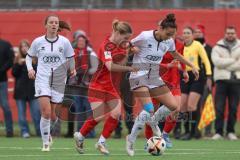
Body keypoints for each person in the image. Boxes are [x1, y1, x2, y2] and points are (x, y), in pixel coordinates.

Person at [125, 14, 199, 156]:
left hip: (154, 78)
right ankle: (131, 139)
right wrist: (131, 50)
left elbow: (176, 55)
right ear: (160, 28)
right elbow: (127, 46)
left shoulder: (169, 41)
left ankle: (153, 121)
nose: (169, 37)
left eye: (172, 35)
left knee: (173, 106)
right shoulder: (145, 36)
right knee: (148, 109)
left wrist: (192, 66)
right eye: (168, 33)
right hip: (138, 76)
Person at [74, 19, 138, 155]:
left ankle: (101, 142)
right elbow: (110, 66)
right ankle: (80, 136)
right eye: (125, 38)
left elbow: (121, 61)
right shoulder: (106, 45)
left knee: (116, 114)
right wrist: (130, 68)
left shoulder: (122, 46)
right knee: (99, 116)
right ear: (117, 32)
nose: (127, 41)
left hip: (112, 87)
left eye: (128, 39)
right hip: (98, 85)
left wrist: (128, 53)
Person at [26, 14, 76, 151]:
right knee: (46, 112)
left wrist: (73, 69)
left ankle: (47, 134)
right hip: (42, 79)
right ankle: (45, 144)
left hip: (59, 81)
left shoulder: (64, 42)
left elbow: (71, 58)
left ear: (58, 26)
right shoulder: (38, 42)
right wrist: (30, 69)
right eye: (51, 22)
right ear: (46, 25)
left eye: (56, 23)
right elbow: (28, 57)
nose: (54, 24)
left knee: (53, 115)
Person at [144, 35, 188, 148]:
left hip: (173, 80)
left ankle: (165, 135)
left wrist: (184, 71)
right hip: (156, 80)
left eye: (173, 32)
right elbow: (150, 63)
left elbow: (181, 57)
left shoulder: (179, 44)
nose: (170, 34)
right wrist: (167, 65)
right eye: (168, 31)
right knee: (150, 112)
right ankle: (148, 141)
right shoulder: (153, 45)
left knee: (176, 108)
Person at [180, 26, 212, 140]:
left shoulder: (197, 45)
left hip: (197, 77)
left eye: (188, 32)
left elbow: (206, 61)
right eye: (184, 32)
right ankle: (186, 130)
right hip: (184, 76)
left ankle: (193, 132)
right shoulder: (180, 46)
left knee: (191, 105)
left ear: (192, 35)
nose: (186, 34)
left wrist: (209, 76)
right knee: (182, 105)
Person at [211, 26, 240, 140]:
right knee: (219, 107)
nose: (230, 35)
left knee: (233, 108)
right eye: (228, 33)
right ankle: (218, 132)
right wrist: (234, 61)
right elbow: (217, 62)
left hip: (236, 81)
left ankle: (230, 132)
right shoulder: (217, 47)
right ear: (225, 34)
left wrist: (225, 64)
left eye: (232, 33)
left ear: (236, 34)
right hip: (221, 81)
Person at [12, 40, 41, 138]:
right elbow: (14, 74)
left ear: (29, 48)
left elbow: (39, 73)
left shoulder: (35, 59)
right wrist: (19, 64)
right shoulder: (17, 59)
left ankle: (39, 132)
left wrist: (33, 63)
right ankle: (25, 131)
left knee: (36, 114)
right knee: (21, 115)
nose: (24, 48)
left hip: (33, 91)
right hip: (20, 91)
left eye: (26, 46)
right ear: (20, 49)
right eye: (22, 47)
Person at [194, 24, 213, 137]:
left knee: (207, 105)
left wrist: (211, 79)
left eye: (199, 32)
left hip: (206, 81)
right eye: (195, 32)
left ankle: (208, 131)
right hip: (194, 81)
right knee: (194, 106)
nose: (197, 34)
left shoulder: (209, 49)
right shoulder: (190, 47)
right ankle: (196, 131)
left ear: (203, 34)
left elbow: (212, 65)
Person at [0, 37, 14, 137]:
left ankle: (9, 131)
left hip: (2, 81)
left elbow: (10, 60)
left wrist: (1, 71)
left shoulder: (6, 44)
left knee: (5, 106)